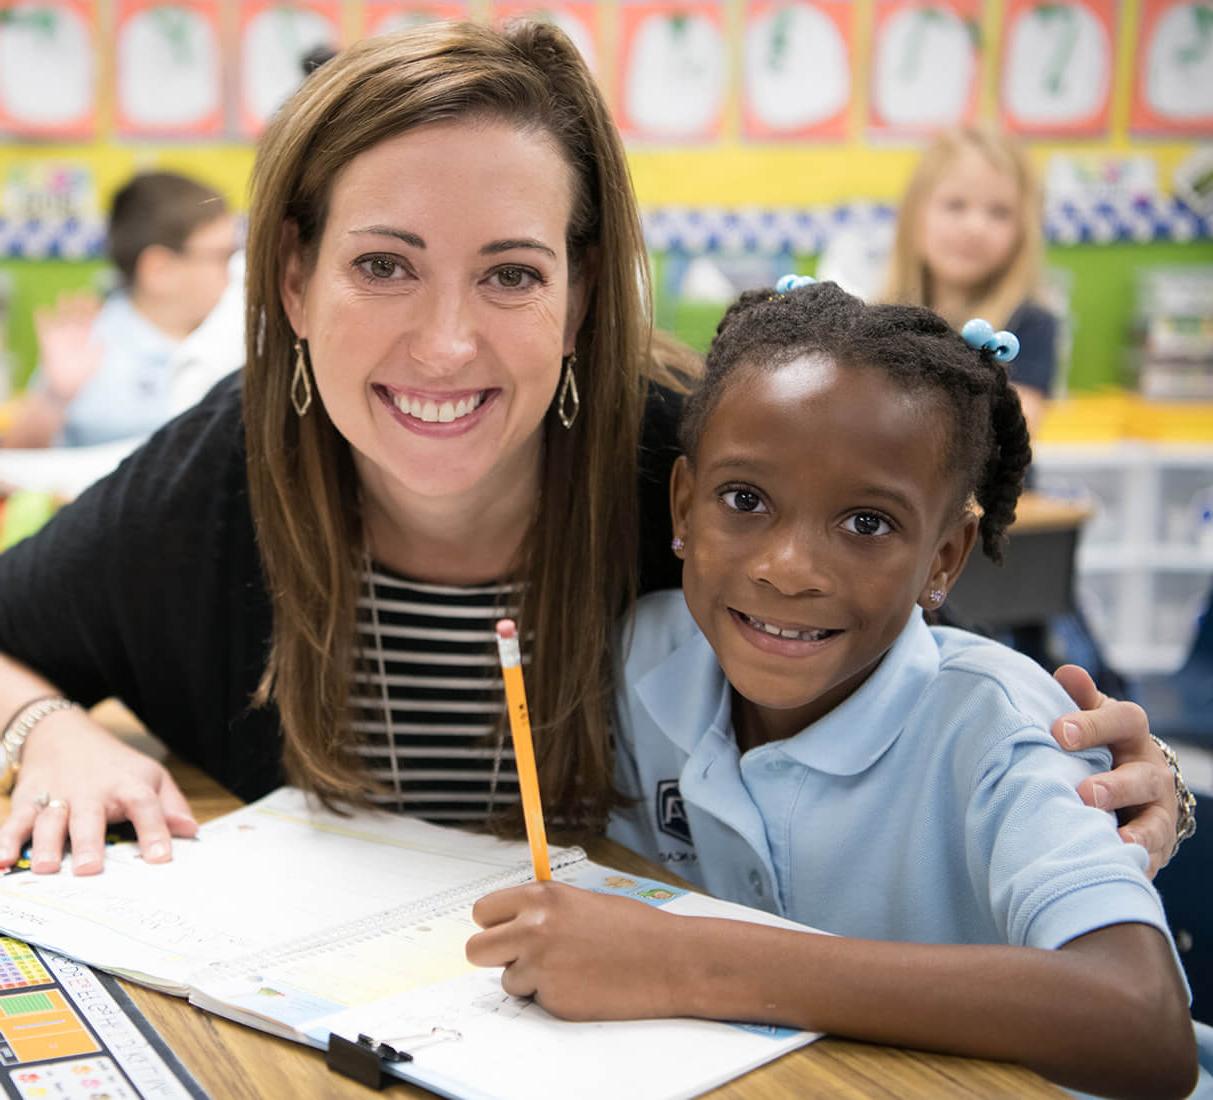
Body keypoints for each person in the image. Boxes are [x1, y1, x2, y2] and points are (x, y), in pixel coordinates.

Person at [0, 23, 1184, 886]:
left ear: (578, 299)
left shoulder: (713, 462)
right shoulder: (236, 456)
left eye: (511, 272)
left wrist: (1137, 785)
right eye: (383, 264)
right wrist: (45, 727)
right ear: (297, 278)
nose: (446, 341)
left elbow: (935, 700)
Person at [465, 280, 1200, 1099]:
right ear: (683, 505)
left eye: (866, 523)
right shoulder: (645, 658)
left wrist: (689, 961)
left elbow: (1143, 1026)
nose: (787, 568)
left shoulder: (996, 733)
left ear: (944, 560)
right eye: (744, 500)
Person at [2, 172, 238, 449]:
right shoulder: (85, 347)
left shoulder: (233, 338)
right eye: (222, 256)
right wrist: (54, 398)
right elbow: (16, 460)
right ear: (159, 270)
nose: (235, 269)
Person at [882, 126, 1056, 439]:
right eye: (955, 205)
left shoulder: (1031, 324)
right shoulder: (882, 319)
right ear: (914, 218)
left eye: (1000, 212)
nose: (975, 227)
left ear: (1023, 232)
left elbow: (1015, 425)